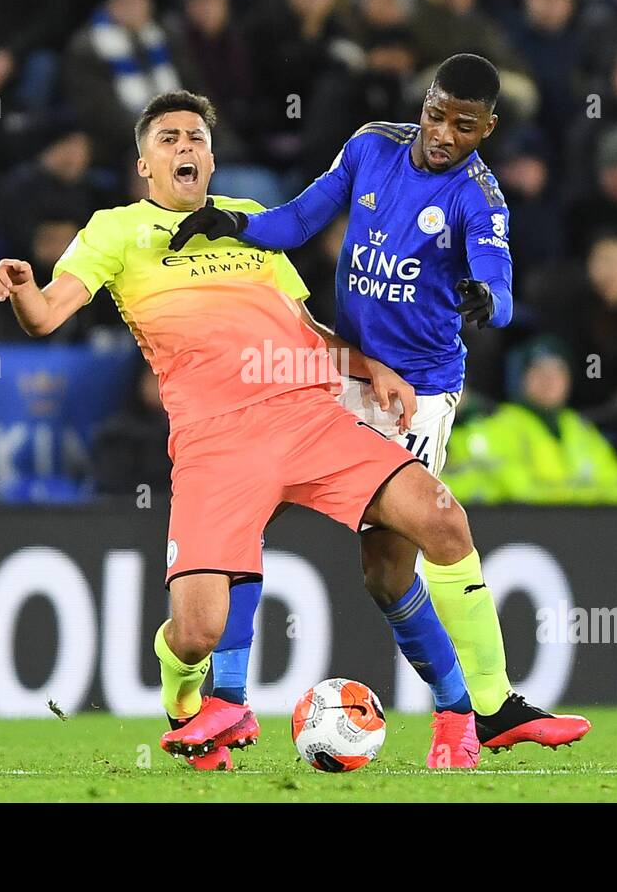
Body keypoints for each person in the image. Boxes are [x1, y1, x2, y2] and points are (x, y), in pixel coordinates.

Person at [0, 90, 491, 771]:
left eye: (195, 137)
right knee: (194, 632)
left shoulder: (249, 221)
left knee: (441, 519)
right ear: (144, 164)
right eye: (168, 139)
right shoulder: (115, 230)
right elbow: (45, 316)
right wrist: (20, 285)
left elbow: (307, 329)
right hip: (215, 439)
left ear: (212, 157)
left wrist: (375, 370)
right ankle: (189, 699)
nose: (185, 147)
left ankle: (463, 714)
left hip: (309, 417)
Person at [170, 54, 591, 755]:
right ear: (423, 103)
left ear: (485, 130)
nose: (441, 133)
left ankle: (467, 711)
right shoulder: (372, 146)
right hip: (338, 369)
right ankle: (227, 701)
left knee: (388, 570)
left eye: (462, 125)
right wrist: (232, 226)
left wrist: (487, 300)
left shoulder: (478, 198)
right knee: (243, 503)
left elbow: (502, 286)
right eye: (434, 113)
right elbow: (302, 218)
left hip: (414, 397)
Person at [443, 338, 617, 505]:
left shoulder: (582, 429)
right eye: (539, 371)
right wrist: (577, 497)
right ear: (522, 378)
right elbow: (509, 490)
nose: (549, 380)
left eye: (558, 371)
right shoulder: (497, 424)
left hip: (583, 534)